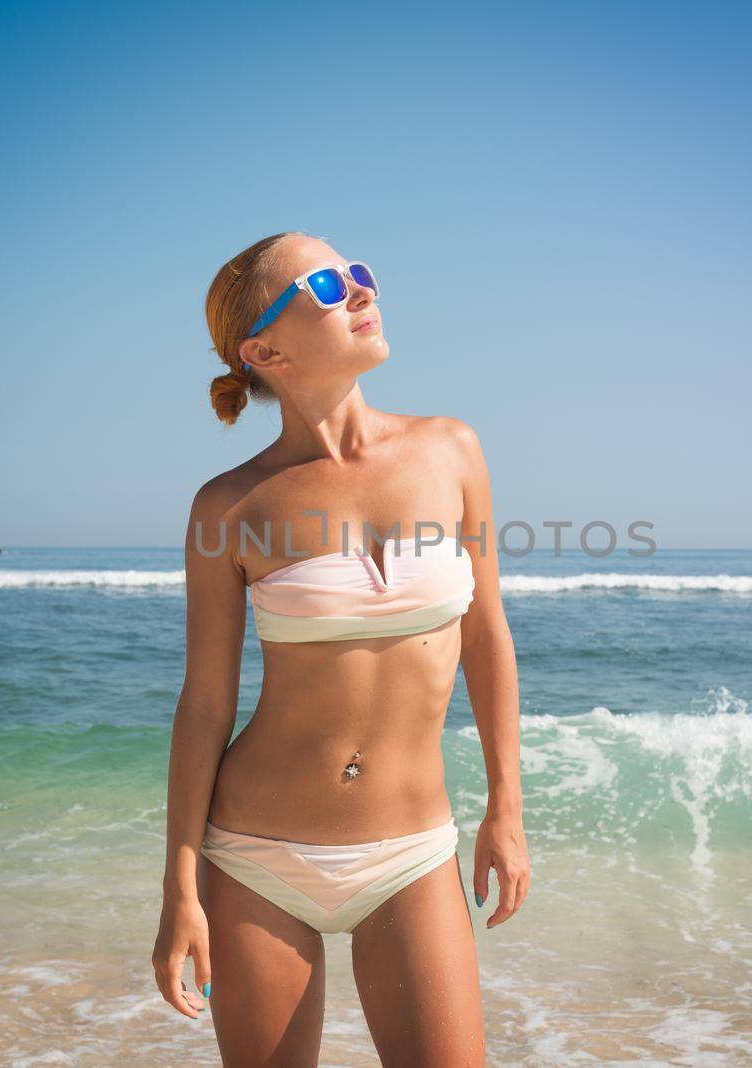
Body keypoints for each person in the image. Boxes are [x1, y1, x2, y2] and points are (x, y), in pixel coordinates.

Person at [153, 231, 529, 1065]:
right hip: (256, 856)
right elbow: (205, 703)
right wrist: (181, 882)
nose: (362, 290)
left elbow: (486, 635)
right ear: (265, 349)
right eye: (328, 284)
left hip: (412, 850)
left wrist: (506, 805)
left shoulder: (450, 450)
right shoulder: (229, 505)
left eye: (360, 274)